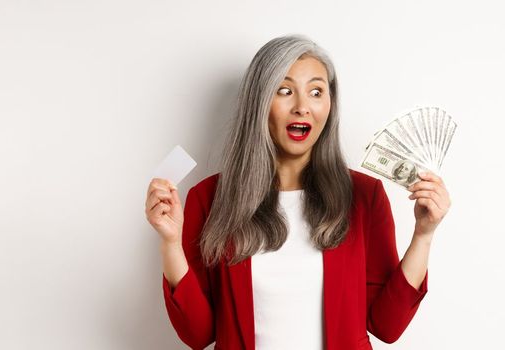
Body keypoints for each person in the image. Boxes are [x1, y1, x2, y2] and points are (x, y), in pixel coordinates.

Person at [144, 34, 451, 350]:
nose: (302, 107)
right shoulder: (209, 198)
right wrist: (170, 244)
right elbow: (198, 334)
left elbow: (387, 326)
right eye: (285, 91)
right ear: (259, 102)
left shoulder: (364, 195)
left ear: (330, 105)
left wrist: (424, 235)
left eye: (316, 92)